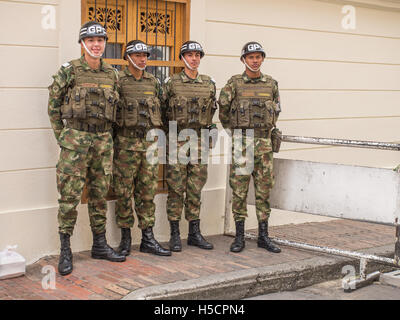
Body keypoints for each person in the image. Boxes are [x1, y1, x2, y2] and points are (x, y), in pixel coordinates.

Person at [48, 21, 126, 276]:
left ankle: (100, 244)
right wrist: (64, 138)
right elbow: (53, 107)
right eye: (91, 41)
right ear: (82, 44)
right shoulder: (69, 71)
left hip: (103, 142)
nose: (96, 45)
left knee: (99, 194)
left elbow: (117, 110)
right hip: (76, 141)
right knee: (69, 197)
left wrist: (109, 140)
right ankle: (65, 249)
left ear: (105, 43)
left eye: (100, 40)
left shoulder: (112, 74)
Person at [218, 41, 282, 254]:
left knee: (264, 191)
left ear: (262, 59)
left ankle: (264, 236)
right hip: (242, 144)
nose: (255, 60)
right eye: (251, 57)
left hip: (264, 145)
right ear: (243, 59)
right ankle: (239, 236)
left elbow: (277, 110)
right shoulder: (234, 84)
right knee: (239, 191)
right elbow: (224, 112)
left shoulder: (271, 84)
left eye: (258, 56)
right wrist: (238, 132)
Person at [113, 40, 171, 257]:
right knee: (124, 192)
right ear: (127, 57)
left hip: (149, 146)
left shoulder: (153, 82)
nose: (142, 58)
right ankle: (126, 238)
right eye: (137, 55)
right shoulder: (118, 80)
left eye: (145, 55)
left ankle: (148, 237)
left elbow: (163, 112)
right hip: (125, 146)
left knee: (147, 193)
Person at [162, 41, 218, 252]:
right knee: (176, 189)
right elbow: (161, 111)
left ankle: (194, 233)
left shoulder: (208, 83)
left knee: (195, 188)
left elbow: (212, 111)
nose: (194, 58)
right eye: (190, 54)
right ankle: (175, 234)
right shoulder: (171, 83)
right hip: (177, 141)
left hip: (200, 141)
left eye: (197, 55)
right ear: (182, 58)